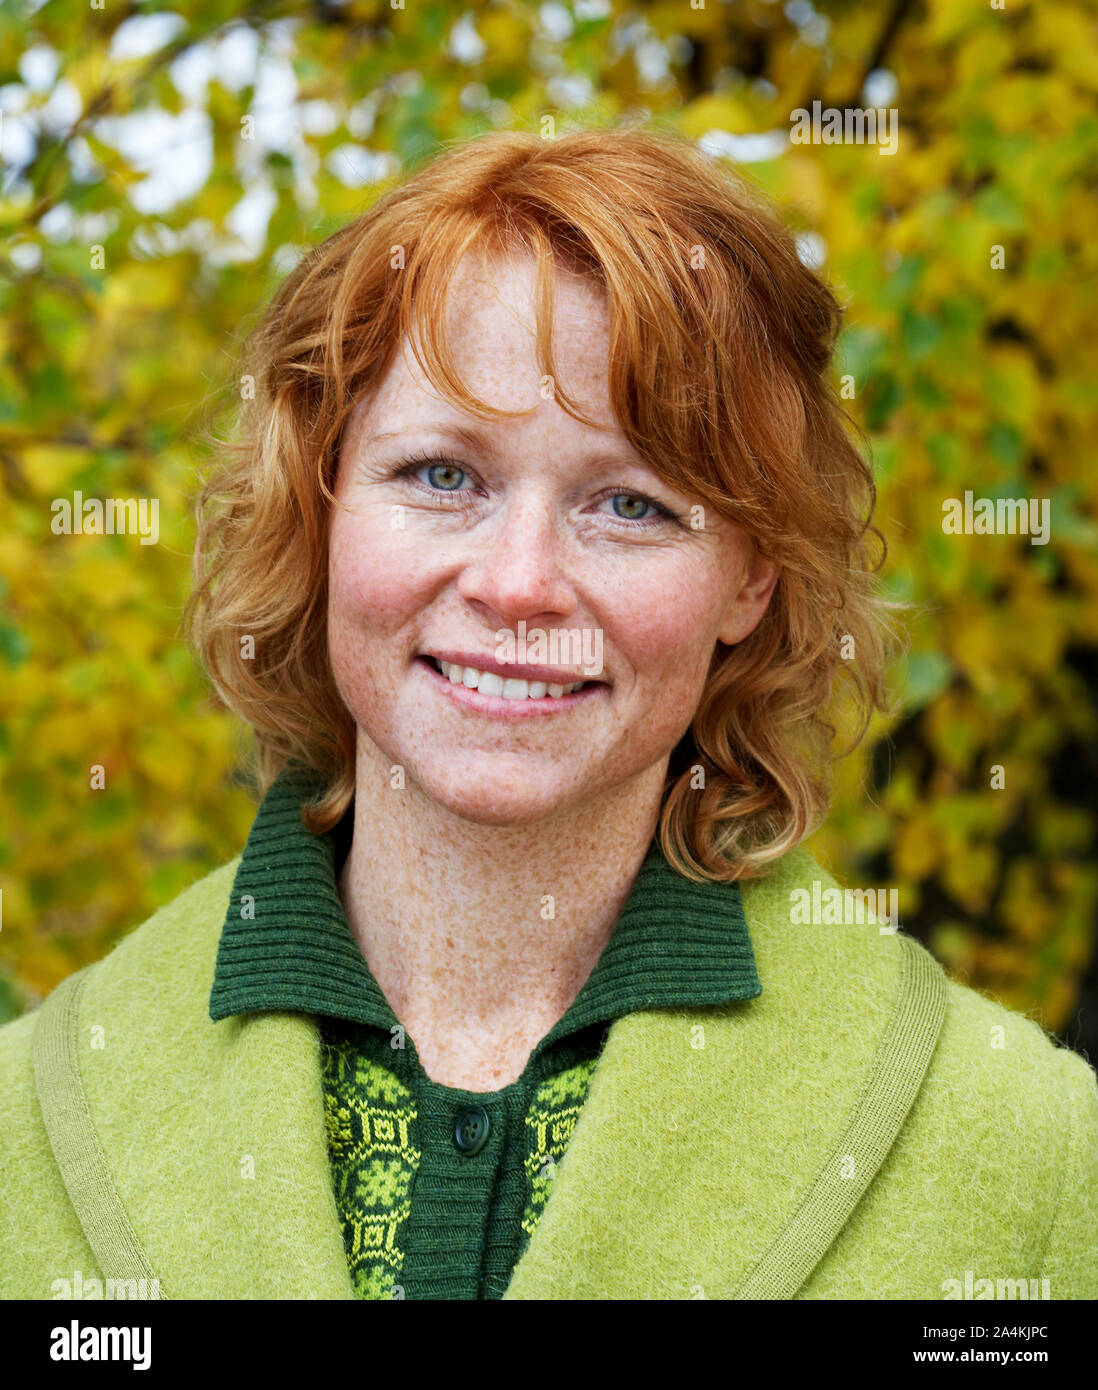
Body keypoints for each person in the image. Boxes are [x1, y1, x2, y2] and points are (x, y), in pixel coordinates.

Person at [2, 127, 1094, 1301]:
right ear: (319, 511)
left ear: (750, 580)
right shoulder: (24, 1123)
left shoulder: (1030, 1151)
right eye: (441, 476)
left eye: (628, 502)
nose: (517, 584)